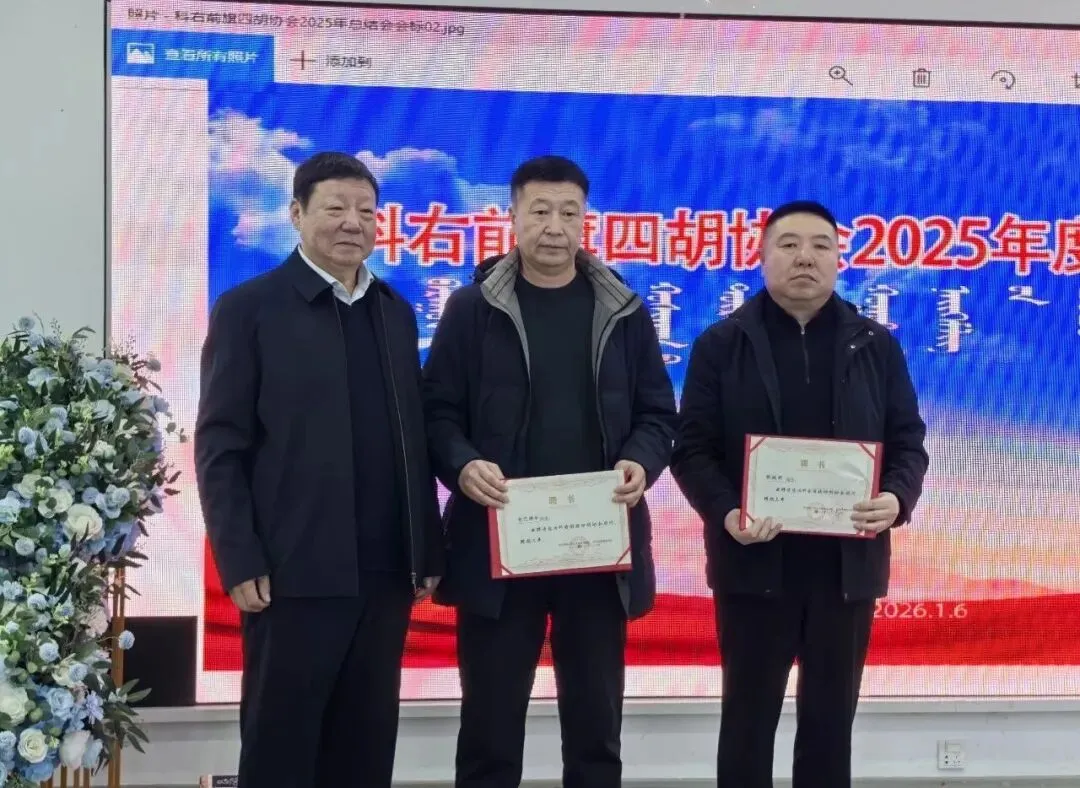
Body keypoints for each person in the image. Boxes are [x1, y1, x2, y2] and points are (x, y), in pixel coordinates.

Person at [422, 155, 677, 788]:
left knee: (596, 728)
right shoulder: (471, 310)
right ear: (512, 217)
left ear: (587, 220)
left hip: (597, 550)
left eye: (569, 212)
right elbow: (435, 413)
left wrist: (640, 462)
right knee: (489, 727)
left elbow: (658, 414)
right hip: (498, 547)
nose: (554, 226)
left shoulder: (624, 311)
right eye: (539, 211)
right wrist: (463, 464)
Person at [193, 151, 444, 788]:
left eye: (366, 211)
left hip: (385, 576)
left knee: (365, 749)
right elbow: (220, 445)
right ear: (297, 214)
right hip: (291, 573)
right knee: (281, 748)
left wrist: (424, 548)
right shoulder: (250, 308)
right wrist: (239, 557)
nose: (352, 223)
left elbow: (411, 441)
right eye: (335, 208)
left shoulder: (393, 311)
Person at [670, 200, 929, 788]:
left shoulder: (877, 346)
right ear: (762, 258)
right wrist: (727, 513)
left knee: (830, 728)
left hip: (846, 569)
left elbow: (908, 443)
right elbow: (691, 449)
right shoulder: (722, 344)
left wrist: (895, 499)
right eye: (788, 245)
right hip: (753, 562)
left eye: (820, 245)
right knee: (747, 724)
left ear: (839, 260)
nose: (804, 257)